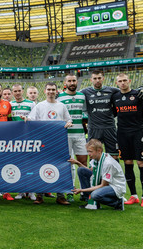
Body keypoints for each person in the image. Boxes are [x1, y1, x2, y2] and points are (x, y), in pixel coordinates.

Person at [27, 82, 72, 205]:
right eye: (49, 89)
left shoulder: (61, 106)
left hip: (58, 141)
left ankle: (60, 195)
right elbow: (31, 119)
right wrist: (26, 120)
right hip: (43, 141)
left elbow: (68, 119)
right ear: (45, 91)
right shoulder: (40, 106)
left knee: (60, 166)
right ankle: (39, 195)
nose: (51, 91)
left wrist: (68, 123)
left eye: (53, 89)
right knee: (40, 165)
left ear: (56, 91)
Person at [111, 73, 143, 206]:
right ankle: (134, 196)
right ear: (117, 83)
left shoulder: (139, 94)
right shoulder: (115, 97)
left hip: (138, 132)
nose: (123, 83)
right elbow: (113, 114)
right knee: (128, 162)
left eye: (125, 80)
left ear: (129, 81)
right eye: (120, 81)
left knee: (141, 163)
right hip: (122, 133)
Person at [69, 139, 125, 210]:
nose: (89, 154)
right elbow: (90, 171)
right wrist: (77, 163)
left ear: (99, 151)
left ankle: (117, 203)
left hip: (115, 187)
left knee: (95, 195)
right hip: (106, 183)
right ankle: (89, 201)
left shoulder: (108, 163)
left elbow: (103, 185)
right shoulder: (96, 158)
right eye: (88, 151)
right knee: (81, 170)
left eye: (91, 151)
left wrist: (82, 190)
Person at [57, 74, 87, 203]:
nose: (72, 82)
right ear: (65, 83)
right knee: (68, 164)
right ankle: (69, 190)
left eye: (74, 80)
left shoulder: (82, 96)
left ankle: (85, 191)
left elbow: (85, 114)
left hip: (80, 134)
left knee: (83, 163)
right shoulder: (60, 98)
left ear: (77, 81)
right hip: (66, 135)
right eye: (69, 81)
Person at [81, 70, 119, 158]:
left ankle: (112, 172)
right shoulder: (85, 92)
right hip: (94, 128)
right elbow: (72, 95)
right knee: (93, 155)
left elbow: (126, 92)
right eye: (95, 78)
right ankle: (96, 172)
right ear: (91, 80)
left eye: (99, 78)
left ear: (103, 79)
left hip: (109, 127)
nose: (97, 80)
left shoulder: (112, 90)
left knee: (113, 156)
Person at [10, 84, 36, 201]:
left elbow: (35, 118)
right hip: (16, 139)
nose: (17, 93)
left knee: (30, 164)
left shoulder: (31, 104)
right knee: (19, 164)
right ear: (12, 92)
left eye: (19, 91)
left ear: (23, 91)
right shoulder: (10, 105)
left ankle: (31, 191)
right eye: (15, 91)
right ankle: (20, 191)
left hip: (29, 138)